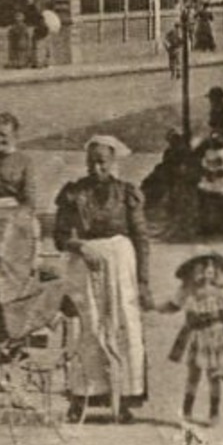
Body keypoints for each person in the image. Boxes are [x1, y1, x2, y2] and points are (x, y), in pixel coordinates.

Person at [53, 135, 153, 422]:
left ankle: (122, 398)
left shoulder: (126, 193)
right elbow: (60, 236)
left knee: (123, 325)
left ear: (113, 162)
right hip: (85, 266)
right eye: (92, 162)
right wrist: (80, 246)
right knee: (88, 326)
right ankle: (82, 396)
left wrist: (144, 282)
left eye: (103, 162)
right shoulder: (74, 193)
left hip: (121, 267)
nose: (97, 168)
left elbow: (142, 238)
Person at [156, 250, 223, 427]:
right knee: (193, 374)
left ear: (216, 270)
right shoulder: (187, 291)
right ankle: (187, 412)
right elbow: (172, 306)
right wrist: (154, 306)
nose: (206, 271)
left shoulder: (222, 291)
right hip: (195, 335)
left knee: (214, 375)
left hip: (216, 335)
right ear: (192, 270)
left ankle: (214, 412)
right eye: (201, 266)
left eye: (211, 266)